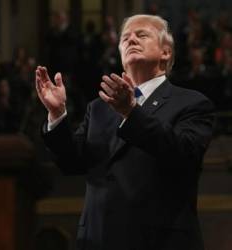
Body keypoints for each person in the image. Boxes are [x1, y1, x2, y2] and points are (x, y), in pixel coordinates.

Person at [35, 14, 215, 250]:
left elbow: (184, 153)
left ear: (166, 53)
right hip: (99, 239)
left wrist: (132, 113)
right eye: (125, 38)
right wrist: (57, 114)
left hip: (160, 240)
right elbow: (72, 163)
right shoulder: (99, 107)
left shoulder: (191, 103)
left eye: (141, 35)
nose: (131, 40)